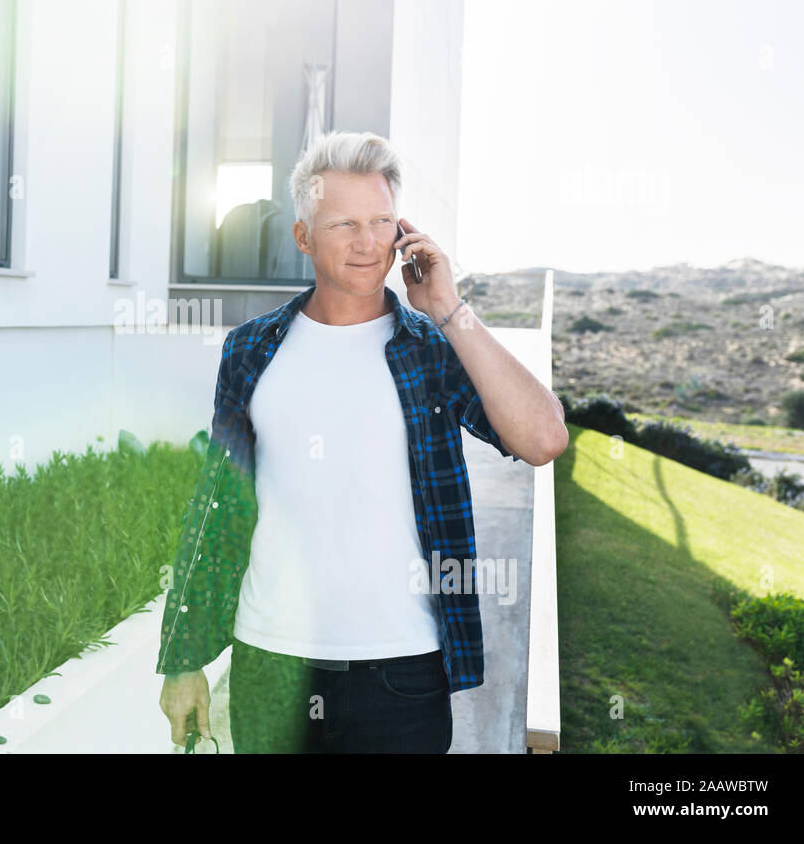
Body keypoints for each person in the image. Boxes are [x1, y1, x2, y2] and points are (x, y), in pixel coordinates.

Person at [156, 130, 568, 753]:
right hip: (269, 667)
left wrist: (449, 309)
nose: (368, 242)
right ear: (303, 237)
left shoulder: (430, 349)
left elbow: (543, 439)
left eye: (381, 222)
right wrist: (183, 661)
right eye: (344, 224)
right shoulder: (250, 350)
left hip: (403, 675)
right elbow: (216, 508)